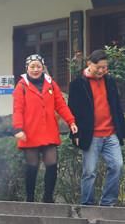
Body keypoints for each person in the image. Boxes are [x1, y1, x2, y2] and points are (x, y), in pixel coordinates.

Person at [12, 54, 78, 203]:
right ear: (27, 68)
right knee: (32, 166)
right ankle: (30, 198)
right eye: (32, 67)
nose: (35, 69)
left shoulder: (51, 84)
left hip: (49, 131)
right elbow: (18, 109)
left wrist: (71, 121)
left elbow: (60, 105)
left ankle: (48, 197)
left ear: (43, 68)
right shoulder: (21, 86)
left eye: (38, 66)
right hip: (30, 132)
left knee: (52, 164)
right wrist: (18, 128)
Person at [68, 50, 125, 206]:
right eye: (99, 67)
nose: (102, 70)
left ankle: (107, 202)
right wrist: (74, 133)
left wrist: (122, 130)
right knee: (89, 172)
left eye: (105, 67)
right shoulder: (77, 84)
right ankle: (87, 204)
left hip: (110, 132)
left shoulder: (110, 81)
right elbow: (72, 110)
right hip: (91, 134)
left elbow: (116, 106)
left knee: (117, 166)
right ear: (89, 64)